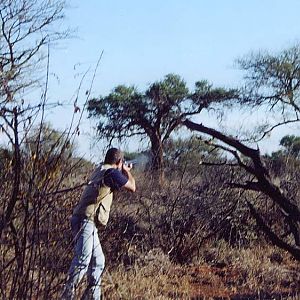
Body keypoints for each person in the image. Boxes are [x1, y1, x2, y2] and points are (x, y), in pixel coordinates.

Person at [62, 148, 136, 300]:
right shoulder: (111, 173)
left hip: (85, 219)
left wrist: (121, 169)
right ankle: (66, 296)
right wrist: (127, 171)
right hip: (85, 220)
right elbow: (132, 187)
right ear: (119, 162)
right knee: (83, 260)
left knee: (98, 261)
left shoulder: (100, 170)